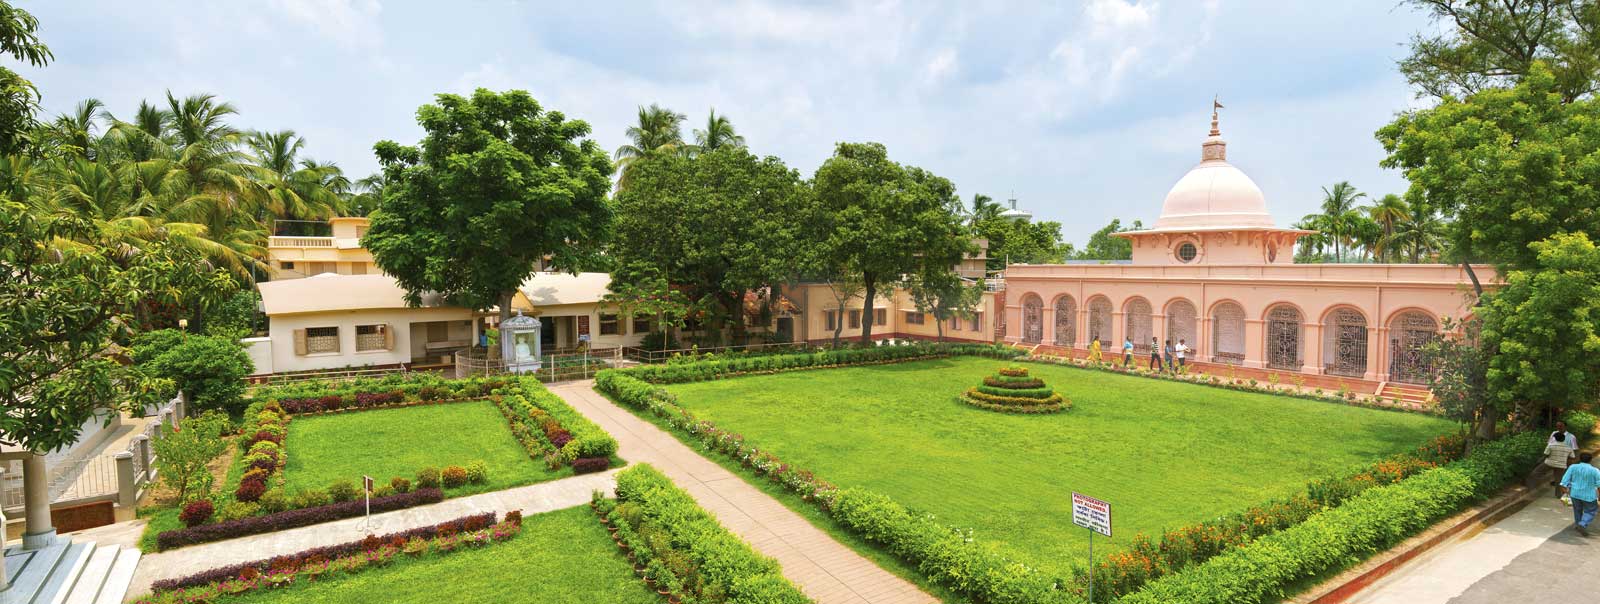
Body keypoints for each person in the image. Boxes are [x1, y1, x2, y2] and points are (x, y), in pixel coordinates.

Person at [1559, 452, 1600, 536]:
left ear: (1580, 458)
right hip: (1589, 495)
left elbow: (1564, 481)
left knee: (1577, 509)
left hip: (1574, 493)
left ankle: (1578, 525)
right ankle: (1582, 524)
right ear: (1590, 460)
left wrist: (1565, 491)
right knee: (1591, 510)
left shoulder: (1573, 467)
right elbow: (1599, 485)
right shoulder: (1595, 471)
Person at [1542, 431, 1576, 497]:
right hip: (1561, 465)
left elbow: (1545, 454)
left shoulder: (1551, 445)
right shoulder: (1568, 447)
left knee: (1536, 472)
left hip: (1549, 463)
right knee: (1558, 480)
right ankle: (1558, 494)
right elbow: (1572, 457)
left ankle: (1535, 484)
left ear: (1554, 438)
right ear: (1564, 439)